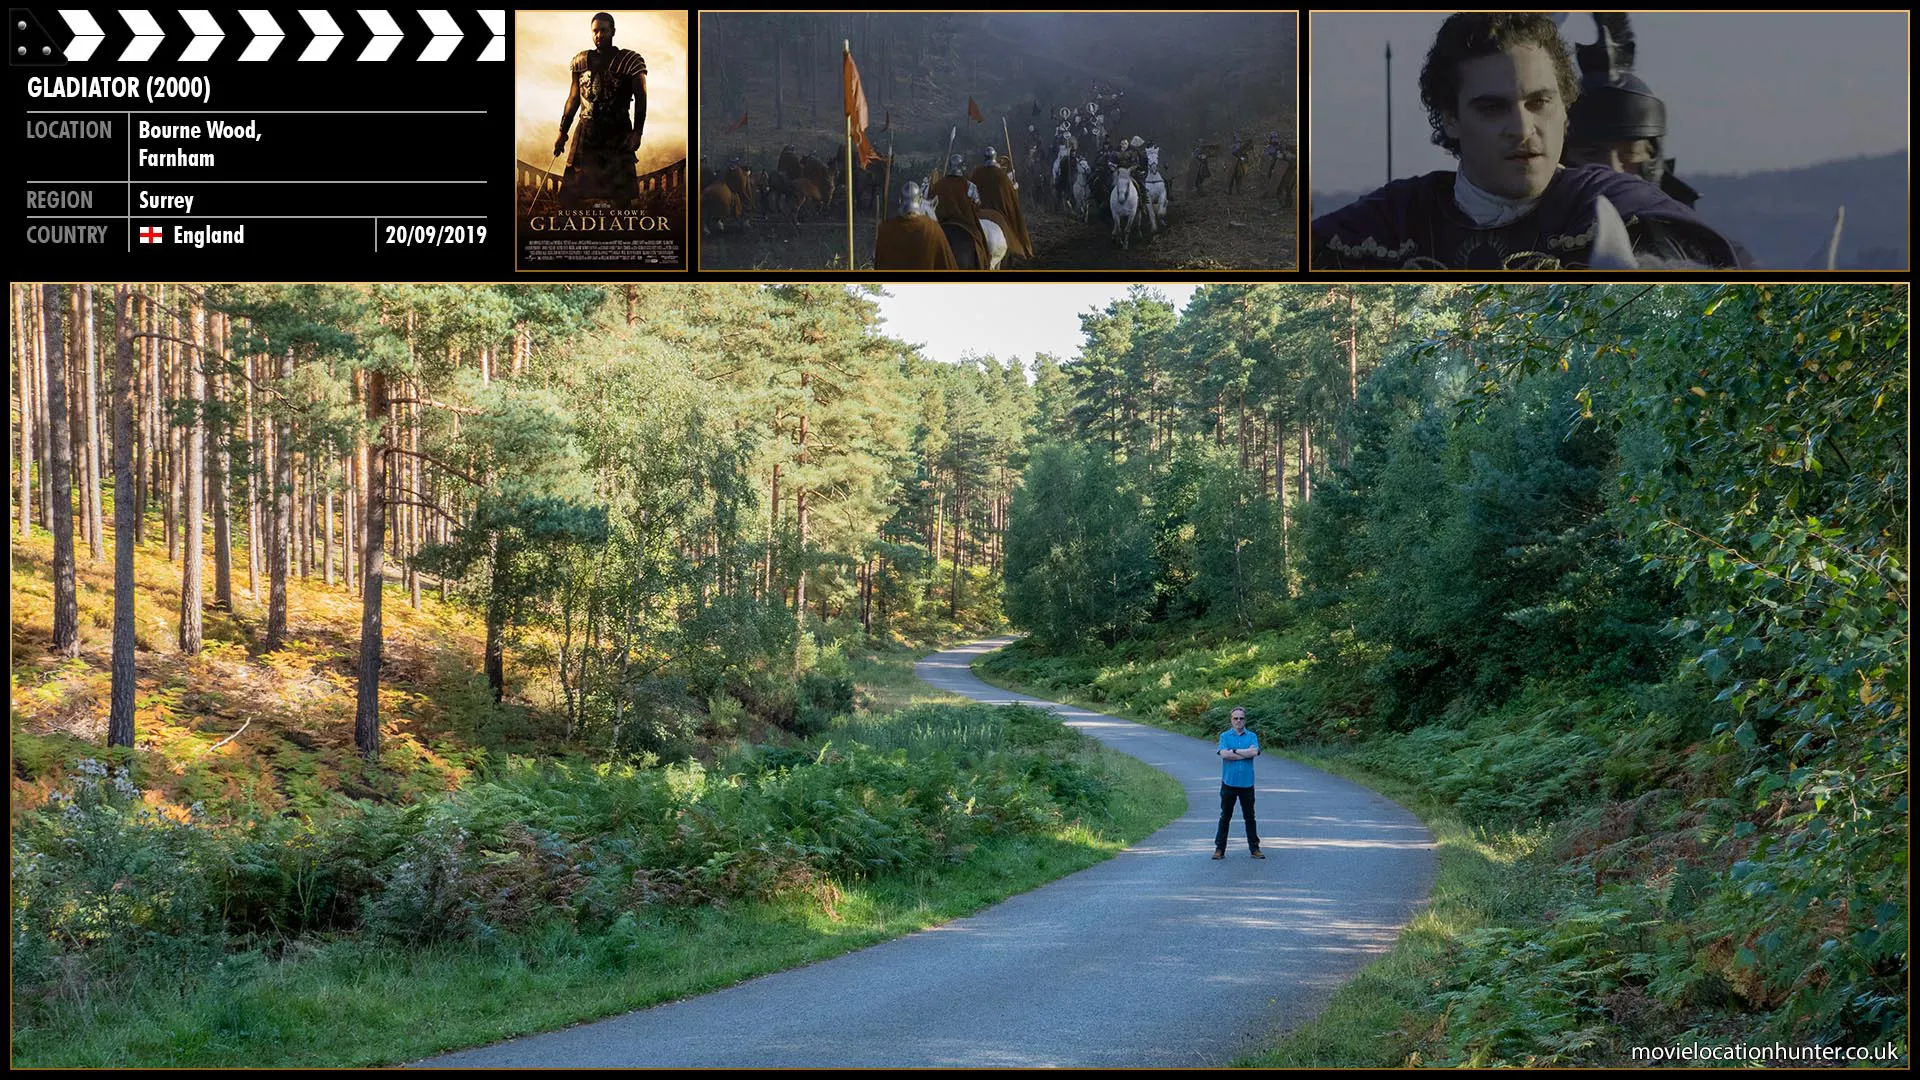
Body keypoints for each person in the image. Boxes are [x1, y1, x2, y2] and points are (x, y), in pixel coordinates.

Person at [1310, 12, 1740, 270]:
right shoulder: (1390, 222)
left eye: (1539, 102)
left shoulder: (1624, 210)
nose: (1522, 128)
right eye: (1492, 108)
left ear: (1565, 108)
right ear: (1451, 118)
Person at [1561, 13, 1701, 208]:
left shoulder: (1687, 238)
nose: (1612, 169)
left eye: (1629, 154)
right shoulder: (1528, 235)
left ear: (1653, 157)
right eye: (1590, 154)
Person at [553, 12, 648, 210]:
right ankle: (571, 234)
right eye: (595, 31)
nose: (599, 35)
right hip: (586, 131)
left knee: (620, 194)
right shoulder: (581, 61)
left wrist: (637, 132)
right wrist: (563, 132)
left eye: (603, 30)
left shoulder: (630, 61)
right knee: (573, 192)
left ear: (612, 31)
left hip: (617, 132)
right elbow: (573, 99)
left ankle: (619, 236)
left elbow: (641, 99)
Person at [1214, 707, 1264, 859]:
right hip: (1229, 782)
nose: (1238, 721)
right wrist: (1244, 753)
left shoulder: (1252, 736)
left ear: (1245, 720)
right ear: (1231, 720)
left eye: (1241, 718)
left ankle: (1254, 849)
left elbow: (1254, 752)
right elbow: (1224, 754)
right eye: (1235, 718)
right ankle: (1219, 849)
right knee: (1225, 817)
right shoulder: (1224, 736)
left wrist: (1234, 751)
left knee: (1250, 817)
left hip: (1247, 784)